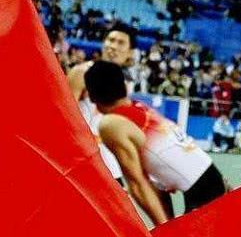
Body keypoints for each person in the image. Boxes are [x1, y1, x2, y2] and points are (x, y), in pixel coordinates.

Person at [85, 60, 228, 226]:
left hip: (204, 193)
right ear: (124, 86)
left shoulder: (111, 123)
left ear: (91, 96)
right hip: (212, 181)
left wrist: (165, 230)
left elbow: (138, 184)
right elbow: (155, 181)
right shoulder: (140, 107)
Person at [66, 23, 136, 183]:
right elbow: (64, 117)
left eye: (120, 43)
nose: (113, 46)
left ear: (130, 52)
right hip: (82, 162)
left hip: (112, 166)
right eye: (111, 40)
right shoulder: (81, 73)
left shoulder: (127, 82)